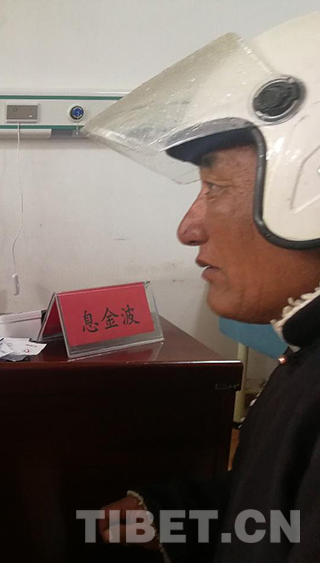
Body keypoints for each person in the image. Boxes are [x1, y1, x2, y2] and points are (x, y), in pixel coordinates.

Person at [84, 12, 320, 563]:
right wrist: (168, 516)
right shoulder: (307, 354)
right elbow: (276, 514)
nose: (188, 229)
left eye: (214, 186)